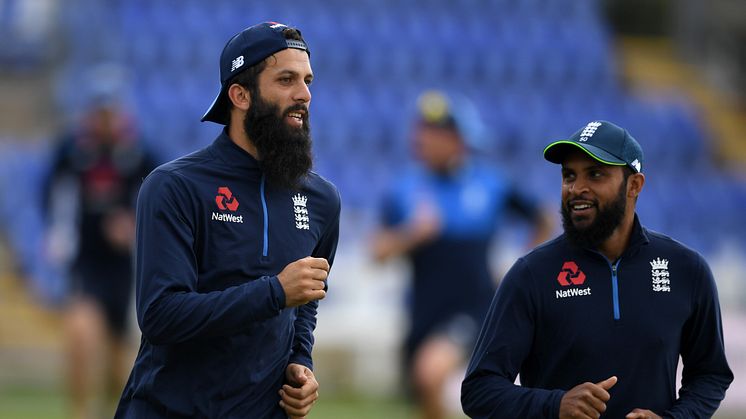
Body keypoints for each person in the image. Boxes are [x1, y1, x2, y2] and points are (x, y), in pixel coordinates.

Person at [114, 22, 340, 419]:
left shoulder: (321, 200)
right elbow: (160, 316)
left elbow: (304, 303)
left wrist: (301, 361)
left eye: (307, 80)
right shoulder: (174, 186)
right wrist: (274, 293)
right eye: (286, 79)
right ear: (240, 95)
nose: (303, 95)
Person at [461, 120, 733, 418]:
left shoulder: (687, 269)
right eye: (569, 176)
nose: (577, 188)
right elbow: (479, 390)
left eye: (595, 174)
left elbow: (710, 375)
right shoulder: (531, 274)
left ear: (634, 185)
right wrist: (555, 405)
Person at [371, 90, 554, 419]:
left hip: (474, 308)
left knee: (430, 373)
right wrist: (413, 233)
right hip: (423, 313)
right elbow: (377, 252)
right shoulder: (404, 188)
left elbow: (543, 219)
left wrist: (520, 267)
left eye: (433, 132)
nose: (421, 139)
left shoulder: (490, 184)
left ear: (458, 140)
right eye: (421, 130)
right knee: (424, 392)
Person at [43, 69, 157, 419]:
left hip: (122, 266)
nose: (104, 119)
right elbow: (48, 189)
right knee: (80, 333)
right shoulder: (74, 150)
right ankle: (79, 412)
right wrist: (55, 231)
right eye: (98, 111)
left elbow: (162, 196)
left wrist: (134, 226)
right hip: (86, 260)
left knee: (116, 363)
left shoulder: (138, 153)